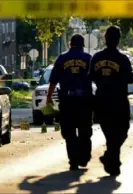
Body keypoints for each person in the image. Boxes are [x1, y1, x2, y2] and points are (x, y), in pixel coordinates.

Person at [89, 26, 133, 176]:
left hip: (102, 100)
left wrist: (103, 81)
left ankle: (111, 160)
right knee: (122, 131)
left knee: (110, 133)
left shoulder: (97, 57)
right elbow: (130, 78)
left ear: (105, 39)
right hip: (118, 100)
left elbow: (91, 76)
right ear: (118, 39)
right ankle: (111, 161)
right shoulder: (122, 59)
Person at [46, 34, 93, 171]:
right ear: (83, 45)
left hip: (67, 101)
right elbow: (96, 79)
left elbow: (53, 80)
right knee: (85, 131)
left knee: (69, 132)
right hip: (84, 101)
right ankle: (84, 158)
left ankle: (73, 161)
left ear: (69, 44)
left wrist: (49, 96)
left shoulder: (62, 59)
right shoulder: (88, 59)